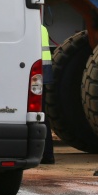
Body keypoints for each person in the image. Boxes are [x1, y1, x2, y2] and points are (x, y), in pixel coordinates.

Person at [40, 23, 56, 164]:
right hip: (43, 74)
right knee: (42, 114)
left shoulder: (31, 27)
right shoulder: (42, 28)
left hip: (36, 75)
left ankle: (46, 154)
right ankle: (47, 154)